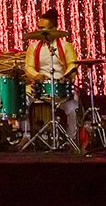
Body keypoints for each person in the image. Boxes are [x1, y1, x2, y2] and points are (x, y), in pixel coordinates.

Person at [24, 9, 80, 141]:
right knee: (22, 102)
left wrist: (65, 77)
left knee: (73, 108)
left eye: (43, 28)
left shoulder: (66, 46)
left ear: (54, 29)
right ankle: (26, 135)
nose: (39, 31)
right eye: (39, 28)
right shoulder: (33, 47)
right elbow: (28, 67)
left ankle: (71, 139)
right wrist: (36, 75)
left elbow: (72, 65)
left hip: (61, 88)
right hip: (39, 88)